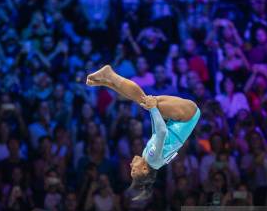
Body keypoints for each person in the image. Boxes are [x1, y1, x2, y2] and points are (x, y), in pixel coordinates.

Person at [86, 65, 200, 200]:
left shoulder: (149, 159)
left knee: (142, 100)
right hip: (187, 116)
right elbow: (162, 131)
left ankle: (106, 82)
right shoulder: (153, 159)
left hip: (180, 119)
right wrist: (153, 109)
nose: (130, 165)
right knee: (143, 100)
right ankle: (109, 75)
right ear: (145, 170)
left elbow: (158, 132)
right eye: (133, 170)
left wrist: (153, 109)